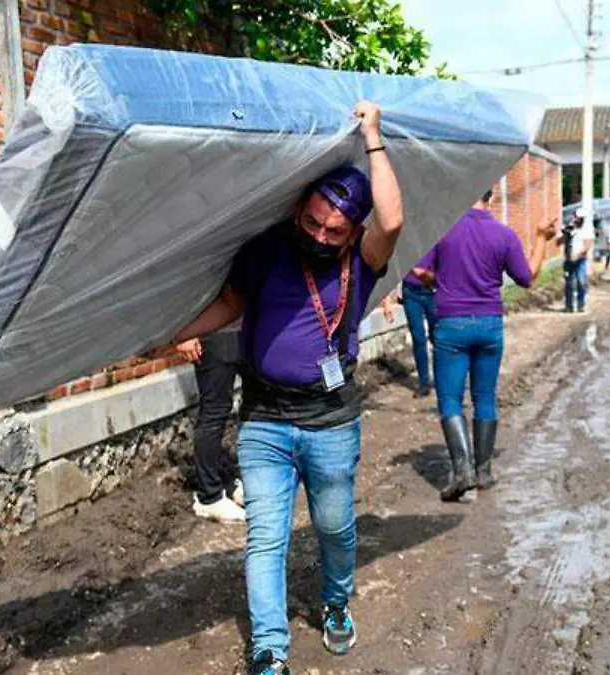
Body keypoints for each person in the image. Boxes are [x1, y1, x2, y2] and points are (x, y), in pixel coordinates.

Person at [164, 101, 402, 675]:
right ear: (300, 209)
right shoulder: (268, 248)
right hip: (265, 421)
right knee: (264, 538)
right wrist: (175, 331)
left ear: (352, 235)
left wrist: (372, 136)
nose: (319, 234)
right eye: (312, 222)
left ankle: (337, 603)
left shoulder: (363, 260)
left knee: (335, 529)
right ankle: (269, 649)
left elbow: (392, 221)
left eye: (333, 230)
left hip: (331, 423)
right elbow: (230, 304)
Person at [427, 192, 554, 501]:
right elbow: (527, 278)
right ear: (490, 196)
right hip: (489, 324)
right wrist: (541, 238)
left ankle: (463, 471)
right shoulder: (504, 234)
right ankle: (483, 472)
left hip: (452, 324)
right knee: (485, 397)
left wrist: (444, 279)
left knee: (451, 400)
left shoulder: (441, 230)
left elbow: (418, 273)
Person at [174, 332, 246, 523]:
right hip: (213, 334)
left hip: (246, 328)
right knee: (215, 411)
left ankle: (231, 481)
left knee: (254, 405)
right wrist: (184, 334)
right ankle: (209, 497)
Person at [399, 251, 437, 398]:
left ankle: (441, 377)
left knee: (437, 337)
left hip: (432, 292)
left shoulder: (436, 238)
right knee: (418, 337)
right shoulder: (406, 242)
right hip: (411, 293)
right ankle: (424, 382)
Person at [559, 208, 595, 312]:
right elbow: (558, 242)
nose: (577, 219)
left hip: (580, 260)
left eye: (579, 218)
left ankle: (581, 304)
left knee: (581, 282)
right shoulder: (569, 228)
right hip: (568, 259)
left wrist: (577, 255)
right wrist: (566, 233)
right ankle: (569, 305)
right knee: (569, 283)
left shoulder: (587, 230)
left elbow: (587, 246)